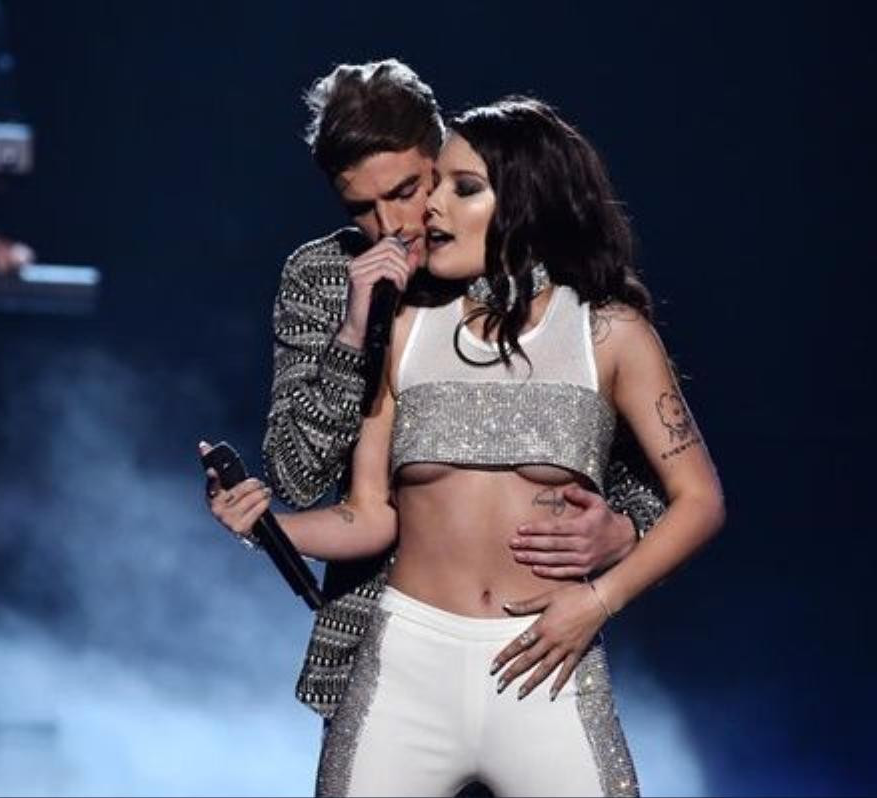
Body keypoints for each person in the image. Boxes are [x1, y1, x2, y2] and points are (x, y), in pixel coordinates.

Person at [205, 97, 725, 796]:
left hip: (546, 657)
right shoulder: (403, 327)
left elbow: (699, 500)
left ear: (525, 201)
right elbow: (369, 514)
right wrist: (266, 527)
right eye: (437, 187)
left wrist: (600, 598)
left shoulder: (609, 332)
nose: (425, 215)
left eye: (460, 188)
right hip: (404, 662)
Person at [256, 59, 668, 722]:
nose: (391, 223)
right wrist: (354, 332)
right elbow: (297, 476)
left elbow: (650, 474)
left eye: (408, 189)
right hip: (377, 649)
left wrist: (625, 532)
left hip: (527, 642)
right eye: (361, 207)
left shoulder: (533, 275)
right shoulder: (323, 277)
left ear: (444, 156)